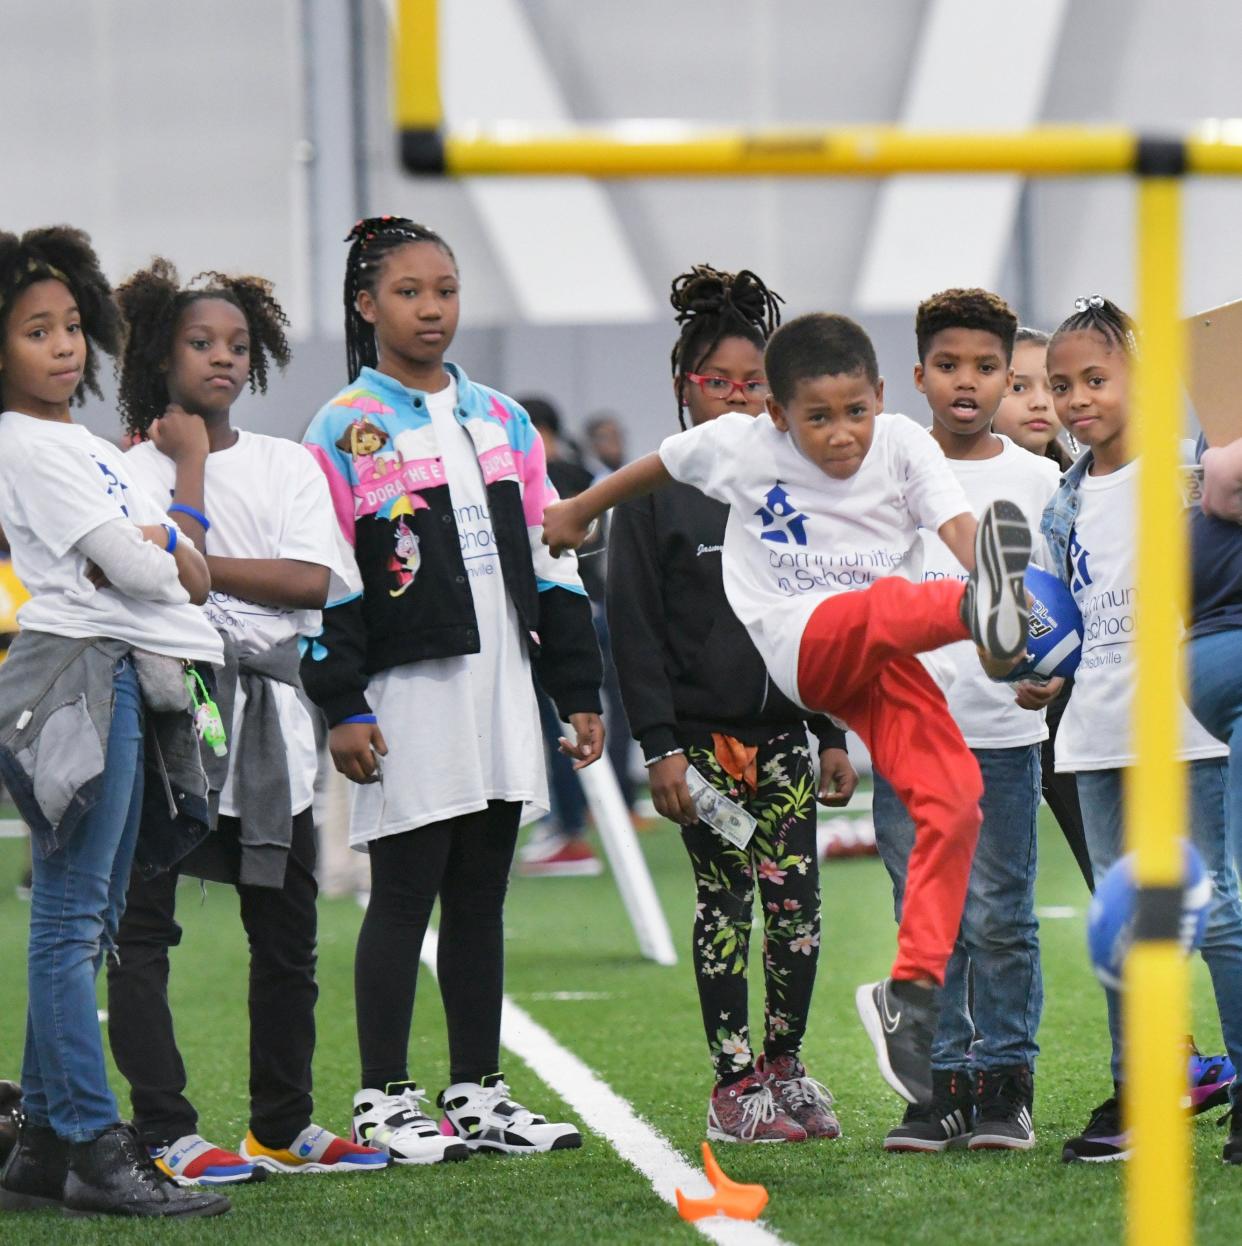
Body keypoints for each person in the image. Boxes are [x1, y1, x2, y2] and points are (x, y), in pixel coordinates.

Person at [543, 309, 1034, 1109]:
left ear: (880, 396)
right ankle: (977, 610)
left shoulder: (905, 444)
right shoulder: (742, 444)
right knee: (891, 601)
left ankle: (908, 995)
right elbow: (656, 465)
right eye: (817, 419)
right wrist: (577, 510)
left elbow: (957, 524)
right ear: (777, 413)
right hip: (800, 641)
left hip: (884, 653)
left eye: (855, 413)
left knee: (957, 801)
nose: (842, 436)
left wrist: (988, 575)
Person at [300, 216, 604, 1161]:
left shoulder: (504, 419)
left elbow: (552, 563)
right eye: (407, 292)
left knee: (481, 897)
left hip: (503, 685)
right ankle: (382, 1096)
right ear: (366, 304)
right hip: (408, 695)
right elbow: (330, 574)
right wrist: (342, 702)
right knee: (404, 893)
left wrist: (577, 686)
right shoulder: (346, 424)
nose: (432, 309)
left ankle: (478, 1089)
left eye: (446, 290)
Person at [105, 260, 385, 1182]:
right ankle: (163, 1127)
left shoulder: (286, 462)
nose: (221, 359)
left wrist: (197, 570)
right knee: (143, 934)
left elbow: (313, 582)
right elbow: (129, 582)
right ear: (158, 354)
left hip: (269, 723)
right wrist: (185, 475)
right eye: (199, 343)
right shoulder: (122, 469)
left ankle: (282, 1123)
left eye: (236, 344)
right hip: (163, 721)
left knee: (286, 934)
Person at [0, 227, 228, 1218]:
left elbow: (188, 564)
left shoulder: (85, 445)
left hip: (119, 667)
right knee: (71, 916)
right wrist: (160, 542)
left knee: (82, 912)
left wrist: (160, 547)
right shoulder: (24, 443)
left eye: (70, 327)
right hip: (75, 668)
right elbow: (157, 570)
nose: (63, 347)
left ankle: (45, 1143)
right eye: (34, 330)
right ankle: (95, 1143)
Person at [609, 264, 858, 1143]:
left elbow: (823, 612)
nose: (741, 399)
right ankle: (733, 1082)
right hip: (705, 748)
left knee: (799, 913)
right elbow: (632, 629)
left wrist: (830, 731)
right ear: (688, 390)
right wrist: (660, 747)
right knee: (728, 908)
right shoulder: (649, 494)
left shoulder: (798, 490)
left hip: (789, 739)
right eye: (722, 384)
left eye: (757, 385)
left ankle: (786, 1065)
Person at [1040, 295, 1242, 1165]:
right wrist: (1040, 672)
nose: (1077, 399)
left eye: (1096, 378)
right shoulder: (1063, 502)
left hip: (1186, 728)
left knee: (1221, 909)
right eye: (1060, 386)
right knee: (1125, 921)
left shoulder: (1194, 474)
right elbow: (1061, 620)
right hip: (1095, 732)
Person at [873, 289, 1057, 1153]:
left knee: (1000, 919)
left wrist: (1050, 678)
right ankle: (938, 1087)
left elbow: (1058, 609)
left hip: (1004, 740)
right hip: (905, 738)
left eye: (987, 368)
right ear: (917, 376)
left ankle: (1004, 1085)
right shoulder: (885, 475)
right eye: (948, 365)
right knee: (925, 918)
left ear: (1008, 378)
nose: (967, 382)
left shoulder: (1039, 478)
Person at [993, 327, 1094, 892]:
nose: (1039, 401)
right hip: (996, 711)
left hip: (1082, 710)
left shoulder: (1087, 481)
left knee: (1113, 873)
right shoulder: (954, 491)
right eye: (1017, 385)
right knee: (995, 898)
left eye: (1049, 385)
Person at [517, 396, 607, 877]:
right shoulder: (575, 471)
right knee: (561, 725)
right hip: (574, 611)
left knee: (561, 726)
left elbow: (573, 538)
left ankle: (568, 829)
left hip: (570, 615)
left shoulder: (561, 475)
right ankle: (565, 823)